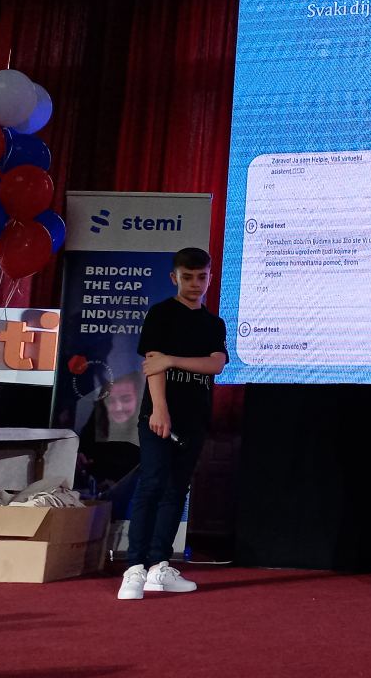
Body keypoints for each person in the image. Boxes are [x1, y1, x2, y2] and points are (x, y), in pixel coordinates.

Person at [118, 248, 227, 600]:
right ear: (174, 277)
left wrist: (172, 360)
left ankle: (159, 566)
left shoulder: (213, 323)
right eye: (188, 277)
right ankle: (134, 568)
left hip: (196, 417)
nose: (195, 284)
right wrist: (160, 409)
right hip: (159, 416)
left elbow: (216, 365)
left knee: (176, 489)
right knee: (151, 484)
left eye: (202, 277)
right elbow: (153, 365)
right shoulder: (161, 314)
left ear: (209, 278)